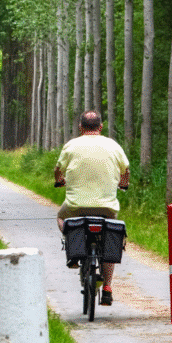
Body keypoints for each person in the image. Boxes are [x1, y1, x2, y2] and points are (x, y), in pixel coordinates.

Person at [54, 111, 130, 306]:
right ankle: (107, 288)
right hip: (106, 208)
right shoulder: (113, 145)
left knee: (61, 217)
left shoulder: (71, 145)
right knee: (111, 234)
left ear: (80, 127)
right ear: (100, 127)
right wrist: (123, 183)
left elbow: (58, 169)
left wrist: (59, 180)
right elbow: (126, 170)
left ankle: (73, 250)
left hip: (75, 207)